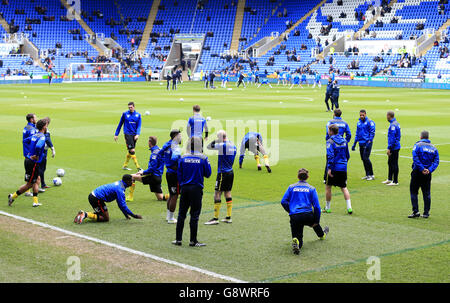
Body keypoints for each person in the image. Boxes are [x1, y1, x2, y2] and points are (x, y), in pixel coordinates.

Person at [173, 137, 212, 247]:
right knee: (194, 215)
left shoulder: (182, 157)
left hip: (185, 188)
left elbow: (179, 174)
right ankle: (192, 240)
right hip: (196, 189)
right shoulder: (203, 158)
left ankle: (178, 239)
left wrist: (182, 185)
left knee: (181, 214)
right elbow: (208, 174)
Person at [281, 168, 329, 255]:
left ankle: (296, 241)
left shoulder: (291, 187)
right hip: (307, 215)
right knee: (314, 223)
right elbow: (317, 207)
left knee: (298, 238)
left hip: (295, 216)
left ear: (298, 176)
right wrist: (316, 221)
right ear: (308, 177)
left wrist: (291, 211)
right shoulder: (311, 188)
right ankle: (322, 235)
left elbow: (283, 201)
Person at [8, 119, 48, 207]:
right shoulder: (42, 137)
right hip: (33, 162)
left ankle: (35, 202)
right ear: (44, 127)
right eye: (46, 125)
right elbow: (38, 146)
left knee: (37, 180)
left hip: (29, 160)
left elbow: (25, 141)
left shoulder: (35, 135)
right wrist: (36, 154)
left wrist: (29, 152)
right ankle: (13, 196)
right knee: (29, 184)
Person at [74, 174, 142, 223]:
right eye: (131, 180)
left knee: (102, 214)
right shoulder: (120, 190)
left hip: (95, 196)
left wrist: (126, 215)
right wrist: (134, 216)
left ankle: (83, 214)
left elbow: (120, 204)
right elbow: (122, 205)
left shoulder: (120, 183)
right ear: (127, 181)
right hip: (96, 198)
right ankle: (85, 214)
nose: (133, 181)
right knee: (105, 218)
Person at [204, 130, 237, 225]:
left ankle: (215, 218)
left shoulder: (222, 146)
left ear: (221, 137)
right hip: (230, 172)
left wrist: (216, 140)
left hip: (222, 173)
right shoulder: (233, 146)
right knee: (227, 193)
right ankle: (228, 217)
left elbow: (209, 146)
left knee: (217, 194)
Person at [127, 136, 169, 202]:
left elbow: (152, 168)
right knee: (160, 198)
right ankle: (176, 193)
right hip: (158, 177)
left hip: (153, 177)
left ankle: (130, 196)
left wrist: (143, 172)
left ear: (149, 142)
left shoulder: (154, 155)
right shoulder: (159, 150)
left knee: (131, 177)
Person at [408, 131, 439, 219]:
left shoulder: (417, 145)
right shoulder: (434, 148)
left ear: (421, 137)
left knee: (413, 192)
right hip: (427, 174)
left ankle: (416, 211)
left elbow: (415, 158)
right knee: (426, 193)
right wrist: (429, 170)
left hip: (417, 172)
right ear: (428, 137)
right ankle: (426, 213)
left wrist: (422, 168)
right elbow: (436, 161)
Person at [324, 124, 353, 214]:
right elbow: (347, 155)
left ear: (331, 131)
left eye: (329, 130)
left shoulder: (330, 141)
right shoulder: (344, 140)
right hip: (343, 167)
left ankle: (327, 208)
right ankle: (349, 208)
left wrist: (329, 168)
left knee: (328, 187)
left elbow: (330, 155)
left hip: (334, 167)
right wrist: (344, 163)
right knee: (344, 187)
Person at [159, 129, 182, 223]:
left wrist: (166, 162)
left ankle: (168, 216)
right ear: (175, 136)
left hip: (168, 172)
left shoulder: (167, 144)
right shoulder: (175, 147)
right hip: (174, 173)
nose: (181, 137)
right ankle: (171, 218)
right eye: (180, 136)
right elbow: (175, 159)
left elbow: (160, 154)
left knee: (172, 194)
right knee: (175, 195)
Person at [114, 102, 142, 171]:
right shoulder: (125, 114)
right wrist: (116, 134)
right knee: (132, 150)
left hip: (134, 134)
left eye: (131, 107)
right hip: (127, 134)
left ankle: (125, 166)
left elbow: (139, 126)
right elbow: (120, 124)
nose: (130, 108)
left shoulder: (138, 115)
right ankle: (138, 167)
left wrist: (137, 134)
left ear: (134, 107)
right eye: (129, 107)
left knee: (130, 151)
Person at [352, 110, 376, 180]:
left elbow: (372, 132)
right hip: (361, 143)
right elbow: (357, 133)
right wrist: (354, 144)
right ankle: (367, 174)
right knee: (363, 159)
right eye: (360, 115)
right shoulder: (358, 122)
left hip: (367, 143)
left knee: (366, 158)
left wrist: (370, 141)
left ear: (365, 114)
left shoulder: (370, 122)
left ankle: (372, 175)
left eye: (363, 115)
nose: (361, 116)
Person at [382, 111, 401, 186]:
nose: (386, 117)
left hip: (394, 147)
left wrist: (389, 148)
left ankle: (395, 181)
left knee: (394, 163)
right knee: (390, 163)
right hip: (395, 146)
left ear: (389, 116)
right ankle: (389, 179)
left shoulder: (393, 125)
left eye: (387, 116)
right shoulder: (396, 123)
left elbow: (392, 138)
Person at [22, 113, 38, 197]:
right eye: (35, 117)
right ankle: (27, 190)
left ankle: (31, 188)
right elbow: (33, 140)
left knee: (28, 170)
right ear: (31, 119)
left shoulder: (26, 127)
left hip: (26, 151)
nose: (36, 119)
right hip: (30, 152)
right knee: (29, 171)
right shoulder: (31, 129)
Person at [39, 117, 56, 191]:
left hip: (44, 151)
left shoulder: (45, 130)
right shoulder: (43, 132)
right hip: (40, 152)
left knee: (42, 169)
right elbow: (47, 139)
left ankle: (42, 184)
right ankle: (37, 186)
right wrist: (52, 148)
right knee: (40, 169)